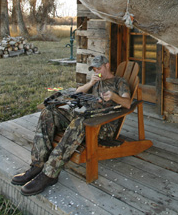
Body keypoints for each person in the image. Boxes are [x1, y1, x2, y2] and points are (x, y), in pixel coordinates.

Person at [11, 55, 131, 196]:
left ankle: (50, 174)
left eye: (99, 68)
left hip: (102, 126)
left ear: (107, 65)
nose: (97, 71)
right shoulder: (96, 82)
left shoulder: (119, 82)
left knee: (80, 122)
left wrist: (114, 97)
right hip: (85, 118)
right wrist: (90, 84)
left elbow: (127, 103)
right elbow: (77, 93)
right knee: (49, 112)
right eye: (94, 69)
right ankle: (38, 164)